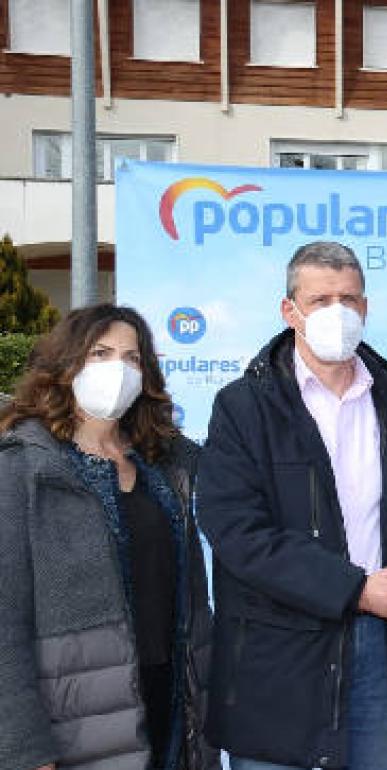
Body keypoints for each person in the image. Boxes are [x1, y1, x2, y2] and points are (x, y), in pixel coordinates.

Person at [197, 241, 387, 770]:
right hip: (278, 661)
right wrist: (355, 589)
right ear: (289, 310)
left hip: (382, 657)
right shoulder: (243, 406)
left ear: (365, 308)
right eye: (320, 300)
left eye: (349, 299)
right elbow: (237, 532)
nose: (337, 312)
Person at [0, 304, 216, 770]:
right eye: (100, 353)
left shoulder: (166, 462)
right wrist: (25, 749)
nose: (117, 369)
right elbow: (4, 620)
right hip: (76, 721)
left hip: (171, 702)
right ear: (66, 365)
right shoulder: (23, 466)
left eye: (132, 358)